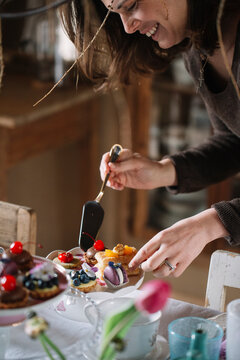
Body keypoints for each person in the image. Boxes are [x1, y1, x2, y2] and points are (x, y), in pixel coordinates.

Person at [60, 0, 240, 277]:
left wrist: (213, 223)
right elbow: (234, 141)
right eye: (115, 13)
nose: (128, 27)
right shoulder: (199, 48)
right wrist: (163, 171)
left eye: (130, 5)